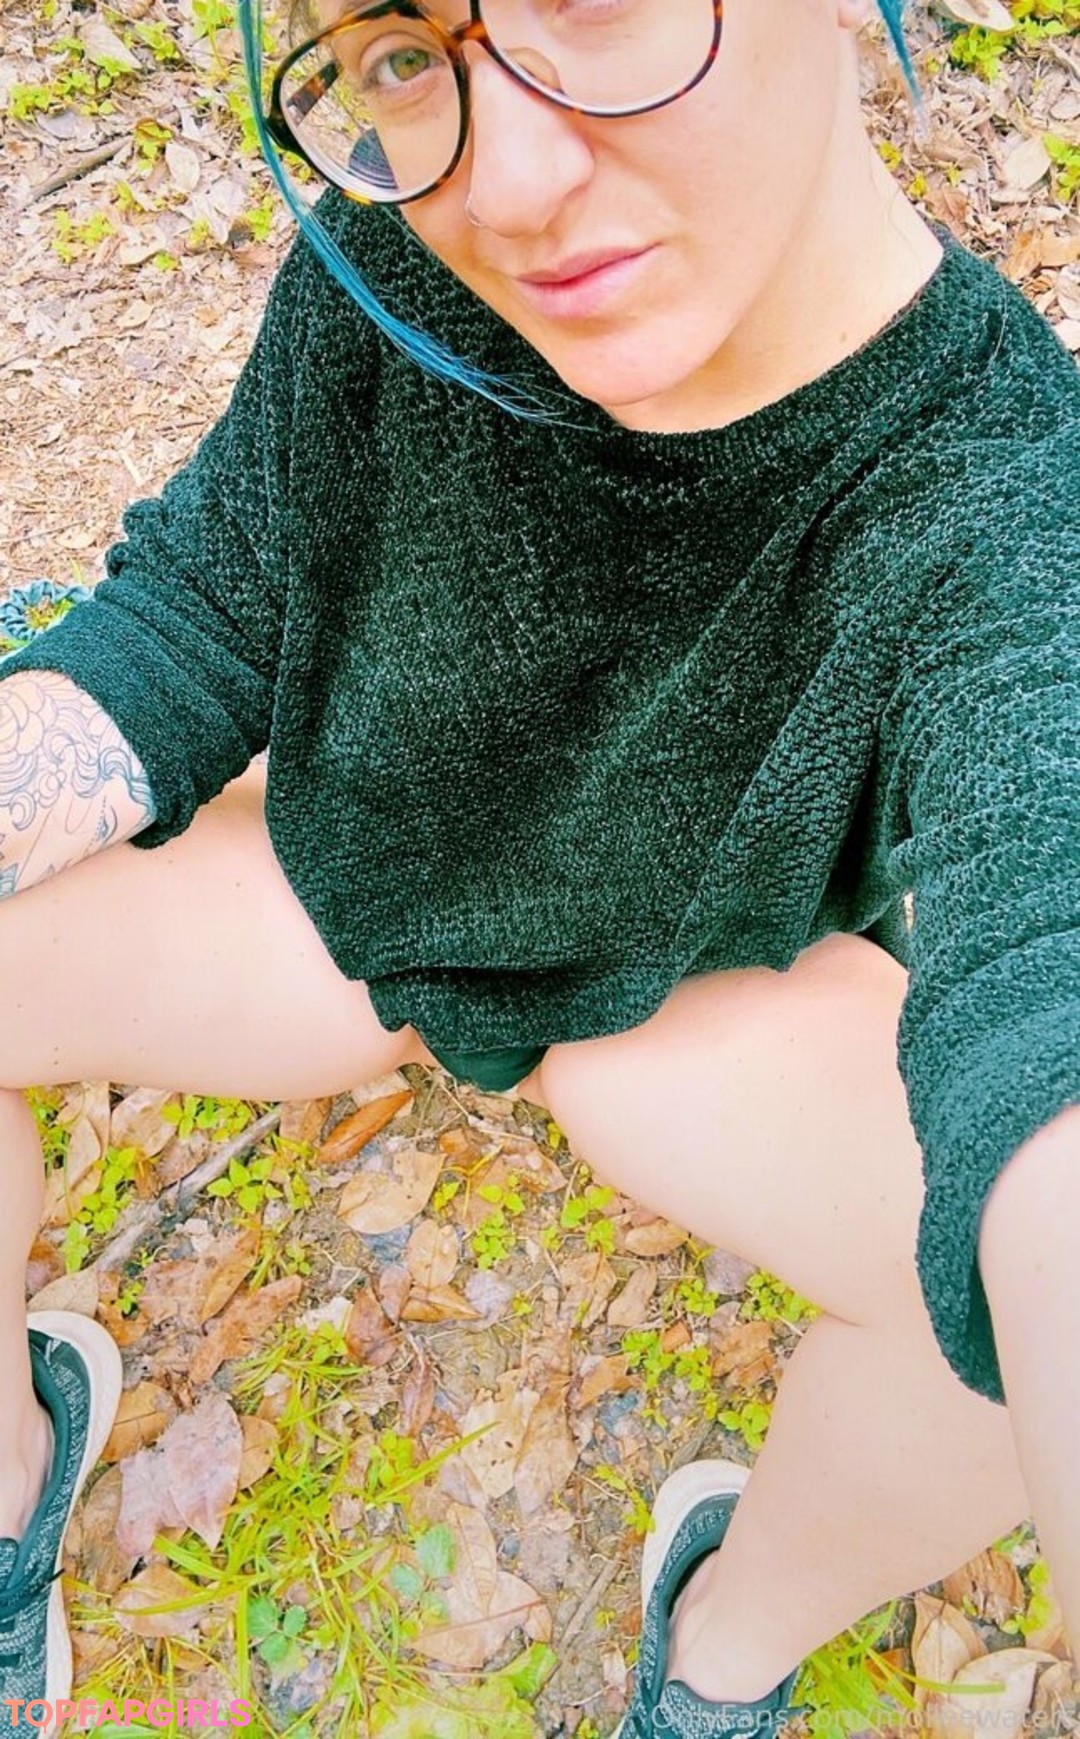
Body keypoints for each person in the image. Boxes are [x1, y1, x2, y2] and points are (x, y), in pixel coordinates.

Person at [0, 0, 1078, 1733]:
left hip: (698, 997)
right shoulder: (402, 234)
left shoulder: (1013, 505)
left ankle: (724, 1651)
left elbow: (1051, 983)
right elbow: (207, 603)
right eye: (398, 47)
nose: (501, 186)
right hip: (344, 892)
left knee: (992, 1362)